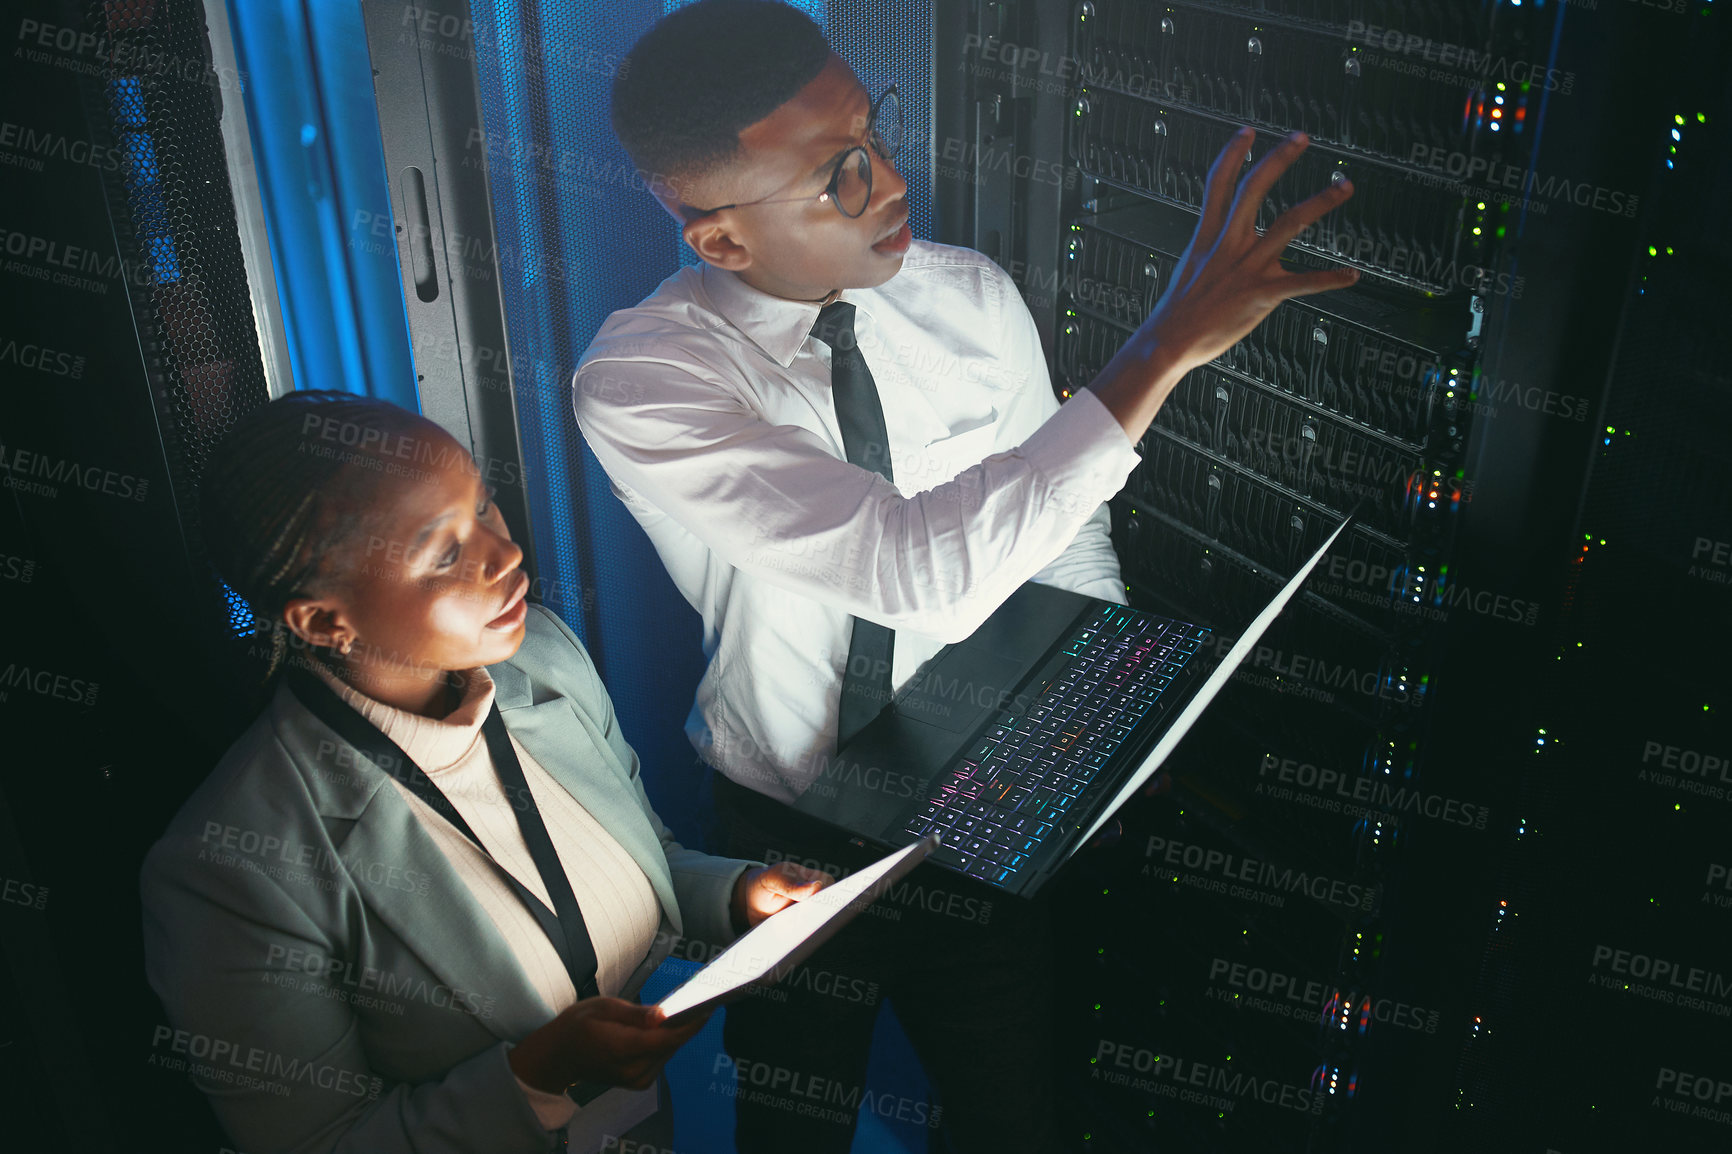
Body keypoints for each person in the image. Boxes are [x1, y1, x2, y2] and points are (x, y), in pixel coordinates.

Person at [573, 3, 1358, 1149]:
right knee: (792, 1127)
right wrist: (1165, 345)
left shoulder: (968, 295)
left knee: (1010, 1120)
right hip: (780, 835)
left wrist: (1082, 722)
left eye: (874, 133)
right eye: (838, 175)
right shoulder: (644, 381)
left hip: (976, 809)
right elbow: (910, 571)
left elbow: (1067, 531)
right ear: (722, 241)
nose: (889, 182)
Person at [139, 390, 831, 1154]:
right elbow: (318, 1143)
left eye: (486, 507)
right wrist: (537, 1075)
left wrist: (739, 896)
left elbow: (648, 856)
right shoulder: (231, 868)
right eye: (444, 553)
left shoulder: (545, 657)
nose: (505, 556)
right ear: (324, 622)